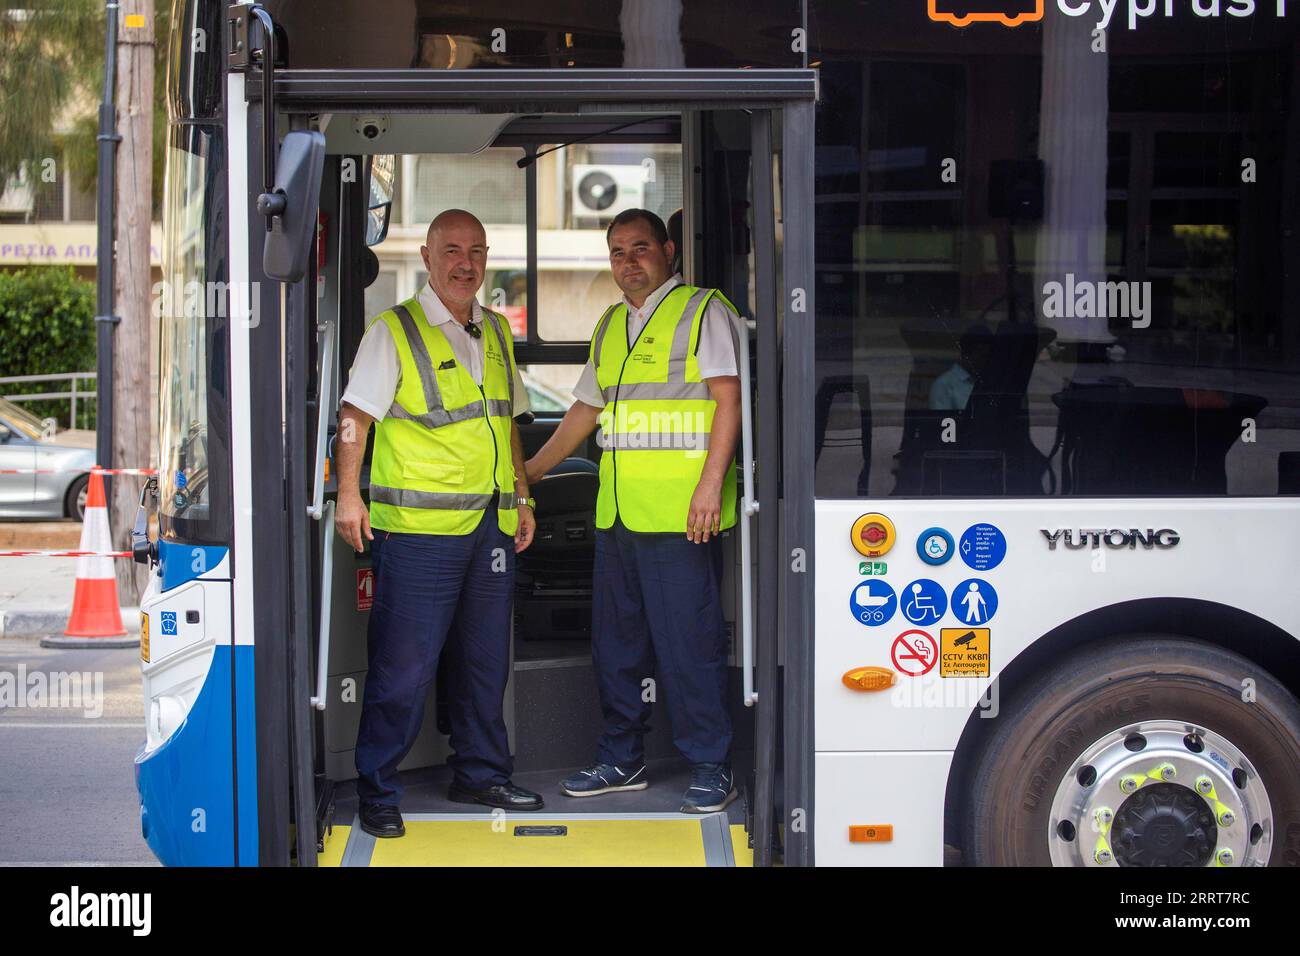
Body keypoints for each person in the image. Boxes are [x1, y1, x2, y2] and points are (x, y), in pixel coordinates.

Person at [525, 208, 743, 813]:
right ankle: (621, 757)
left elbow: (730, 403)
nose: (629, 262)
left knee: (688, 645)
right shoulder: (611, 324)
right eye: (618, 252)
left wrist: (709, 485)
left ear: (668, 250)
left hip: (680, 516)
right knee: (616, 646)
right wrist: (532, 473)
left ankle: (710, 764)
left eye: (640, 248)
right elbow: (585, 413)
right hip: (618, 515)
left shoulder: (704, 312)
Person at [335, 209, 542, 839]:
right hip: (419, 533)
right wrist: (349, 495)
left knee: (484, 662)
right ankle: (378, 789)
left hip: (492, 528)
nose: (466, 262)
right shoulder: (392, 331)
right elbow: (355, 418)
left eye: (477, 250)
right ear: (426, 256)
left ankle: (479, 772)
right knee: (404, 665)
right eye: (452, 249)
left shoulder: (497, 331)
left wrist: (524, 497)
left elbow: (507, 424)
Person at [929, 322, 993, 411]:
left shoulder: (987, 382)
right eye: (983, 356)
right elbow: (940, 422)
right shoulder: (944, 385)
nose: (986, 362)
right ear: (967, 354)